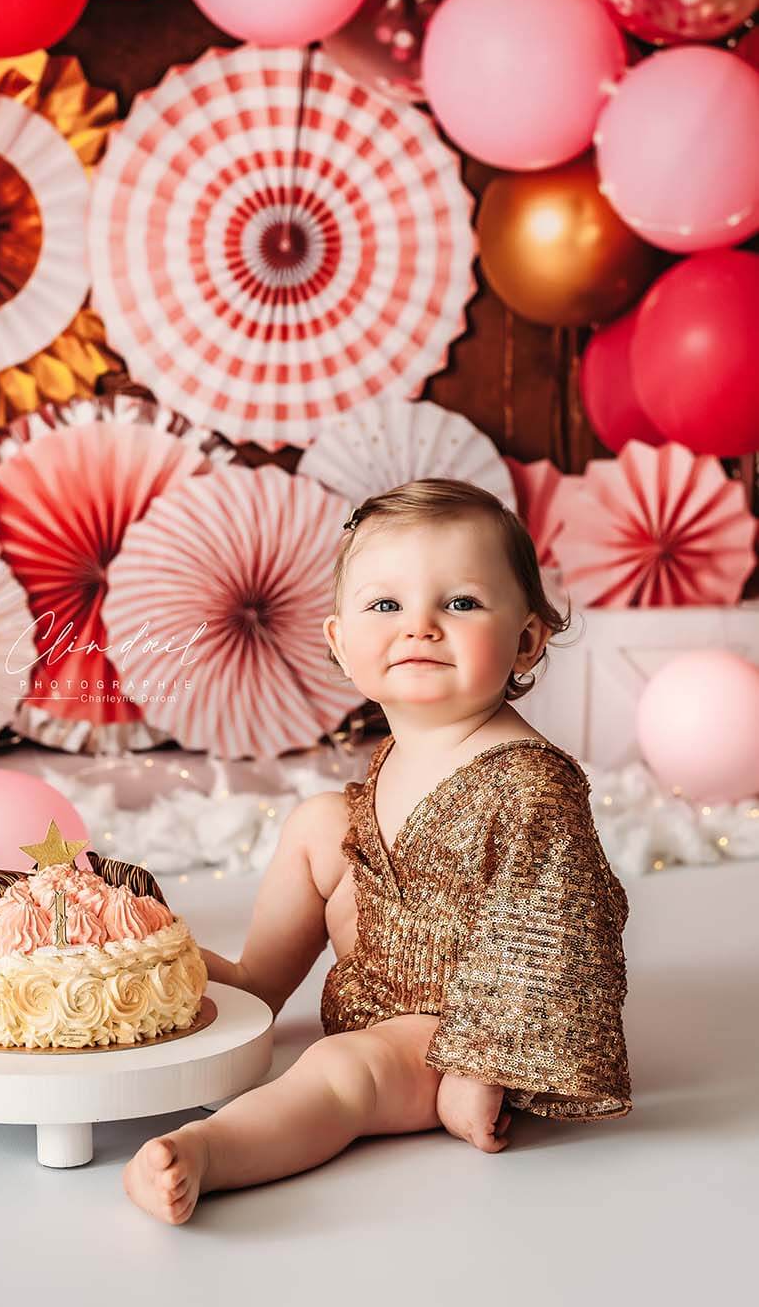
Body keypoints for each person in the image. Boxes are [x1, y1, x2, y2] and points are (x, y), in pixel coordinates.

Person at [123, 477, 632, 1225]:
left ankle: (208, 1151)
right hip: (385, 966)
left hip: (447, 1022)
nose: (419, 627)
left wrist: (476, 1066)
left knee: (338, 1072)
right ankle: (257, 980)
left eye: (460, 603)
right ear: (339, 642)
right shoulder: (411, 743)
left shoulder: (531, 783)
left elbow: (553, 932)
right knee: (321, 820)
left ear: (526, 638)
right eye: (386, 605)